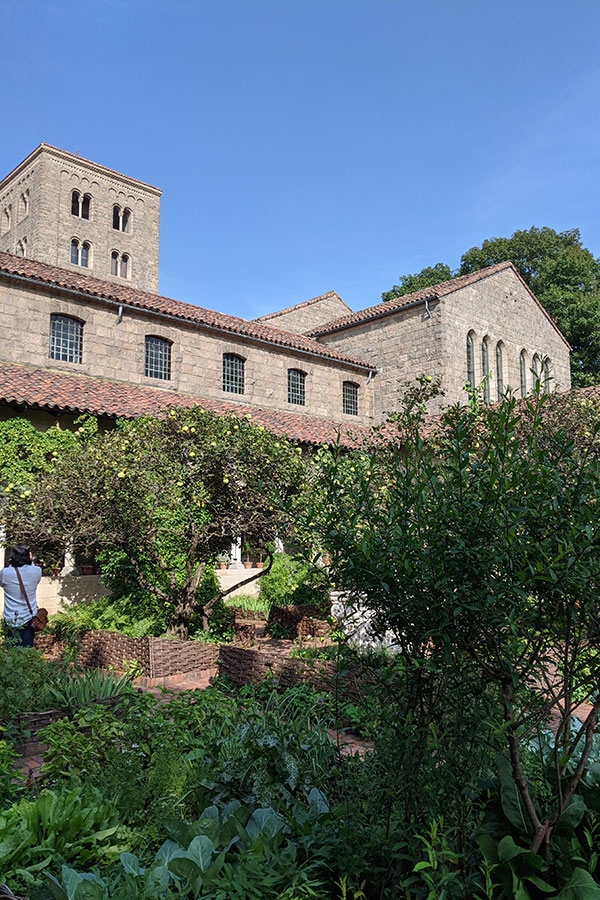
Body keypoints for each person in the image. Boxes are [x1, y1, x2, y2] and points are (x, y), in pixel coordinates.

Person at [0, 544, 42, 647]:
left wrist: (12, 564)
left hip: (11, 619)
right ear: (29, 556)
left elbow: (2, 583)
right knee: (27, 652)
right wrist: (31, 561)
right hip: (29, 618)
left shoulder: (5, 573)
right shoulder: (37, 571)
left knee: (13, 655)